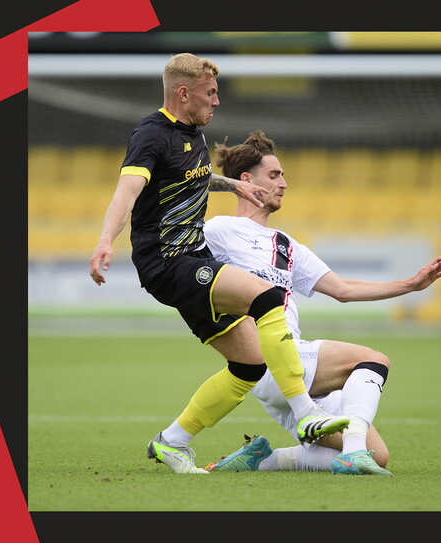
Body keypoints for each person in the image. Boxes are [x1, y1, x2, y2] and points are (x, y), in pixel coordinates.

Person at [88, 53, 349, 475]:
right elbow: (128, 190)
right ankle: (305, 413)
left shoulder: (194, 137)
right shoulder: (151, 134)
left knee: (250, 364)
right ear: (183, 93)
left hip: (192, 259)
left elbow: (195, 176)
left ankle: (171, 442)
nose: (217, 101)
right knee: (267, 298)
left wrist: (235, 187)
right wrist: (105, 240)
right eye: (211, 94)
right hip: (169, 261)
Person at [195, 130, 441, 475]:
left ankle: (260, 461)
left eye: (283, 175)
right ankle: (351, 454)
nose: (284, 183)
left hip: (294, 370)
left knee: (378, 456)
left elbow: (343, 289)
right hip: (270, 358)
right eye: (274, 175)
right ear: (246, 181)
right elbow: (183, 265)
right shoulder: (220, 230)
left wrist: (410, 285)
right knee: (372, 360)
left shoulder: (286, 244)